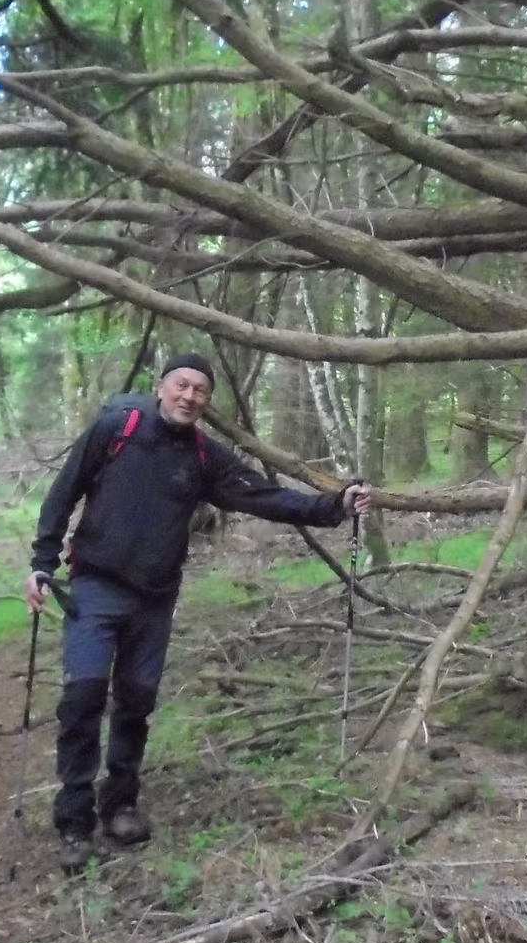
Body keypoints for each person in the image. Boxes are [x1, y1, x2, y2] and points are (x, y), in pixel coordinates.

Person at [24, 352, 373, 874]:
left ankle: (120, 806)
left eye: (200, 391)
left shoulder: (204, 456)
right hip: (95, 586)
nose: (189, 396)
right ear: (161, 386)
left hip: (154, 598)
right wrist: (42, 562)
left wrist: (334, 505)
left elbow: (264, 496)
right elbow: (64, 491)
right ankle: (74, 821)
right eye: (181, 385)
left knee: (136, 702)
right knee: (82, 698)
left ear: (207, 401)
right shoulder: (116, 430)